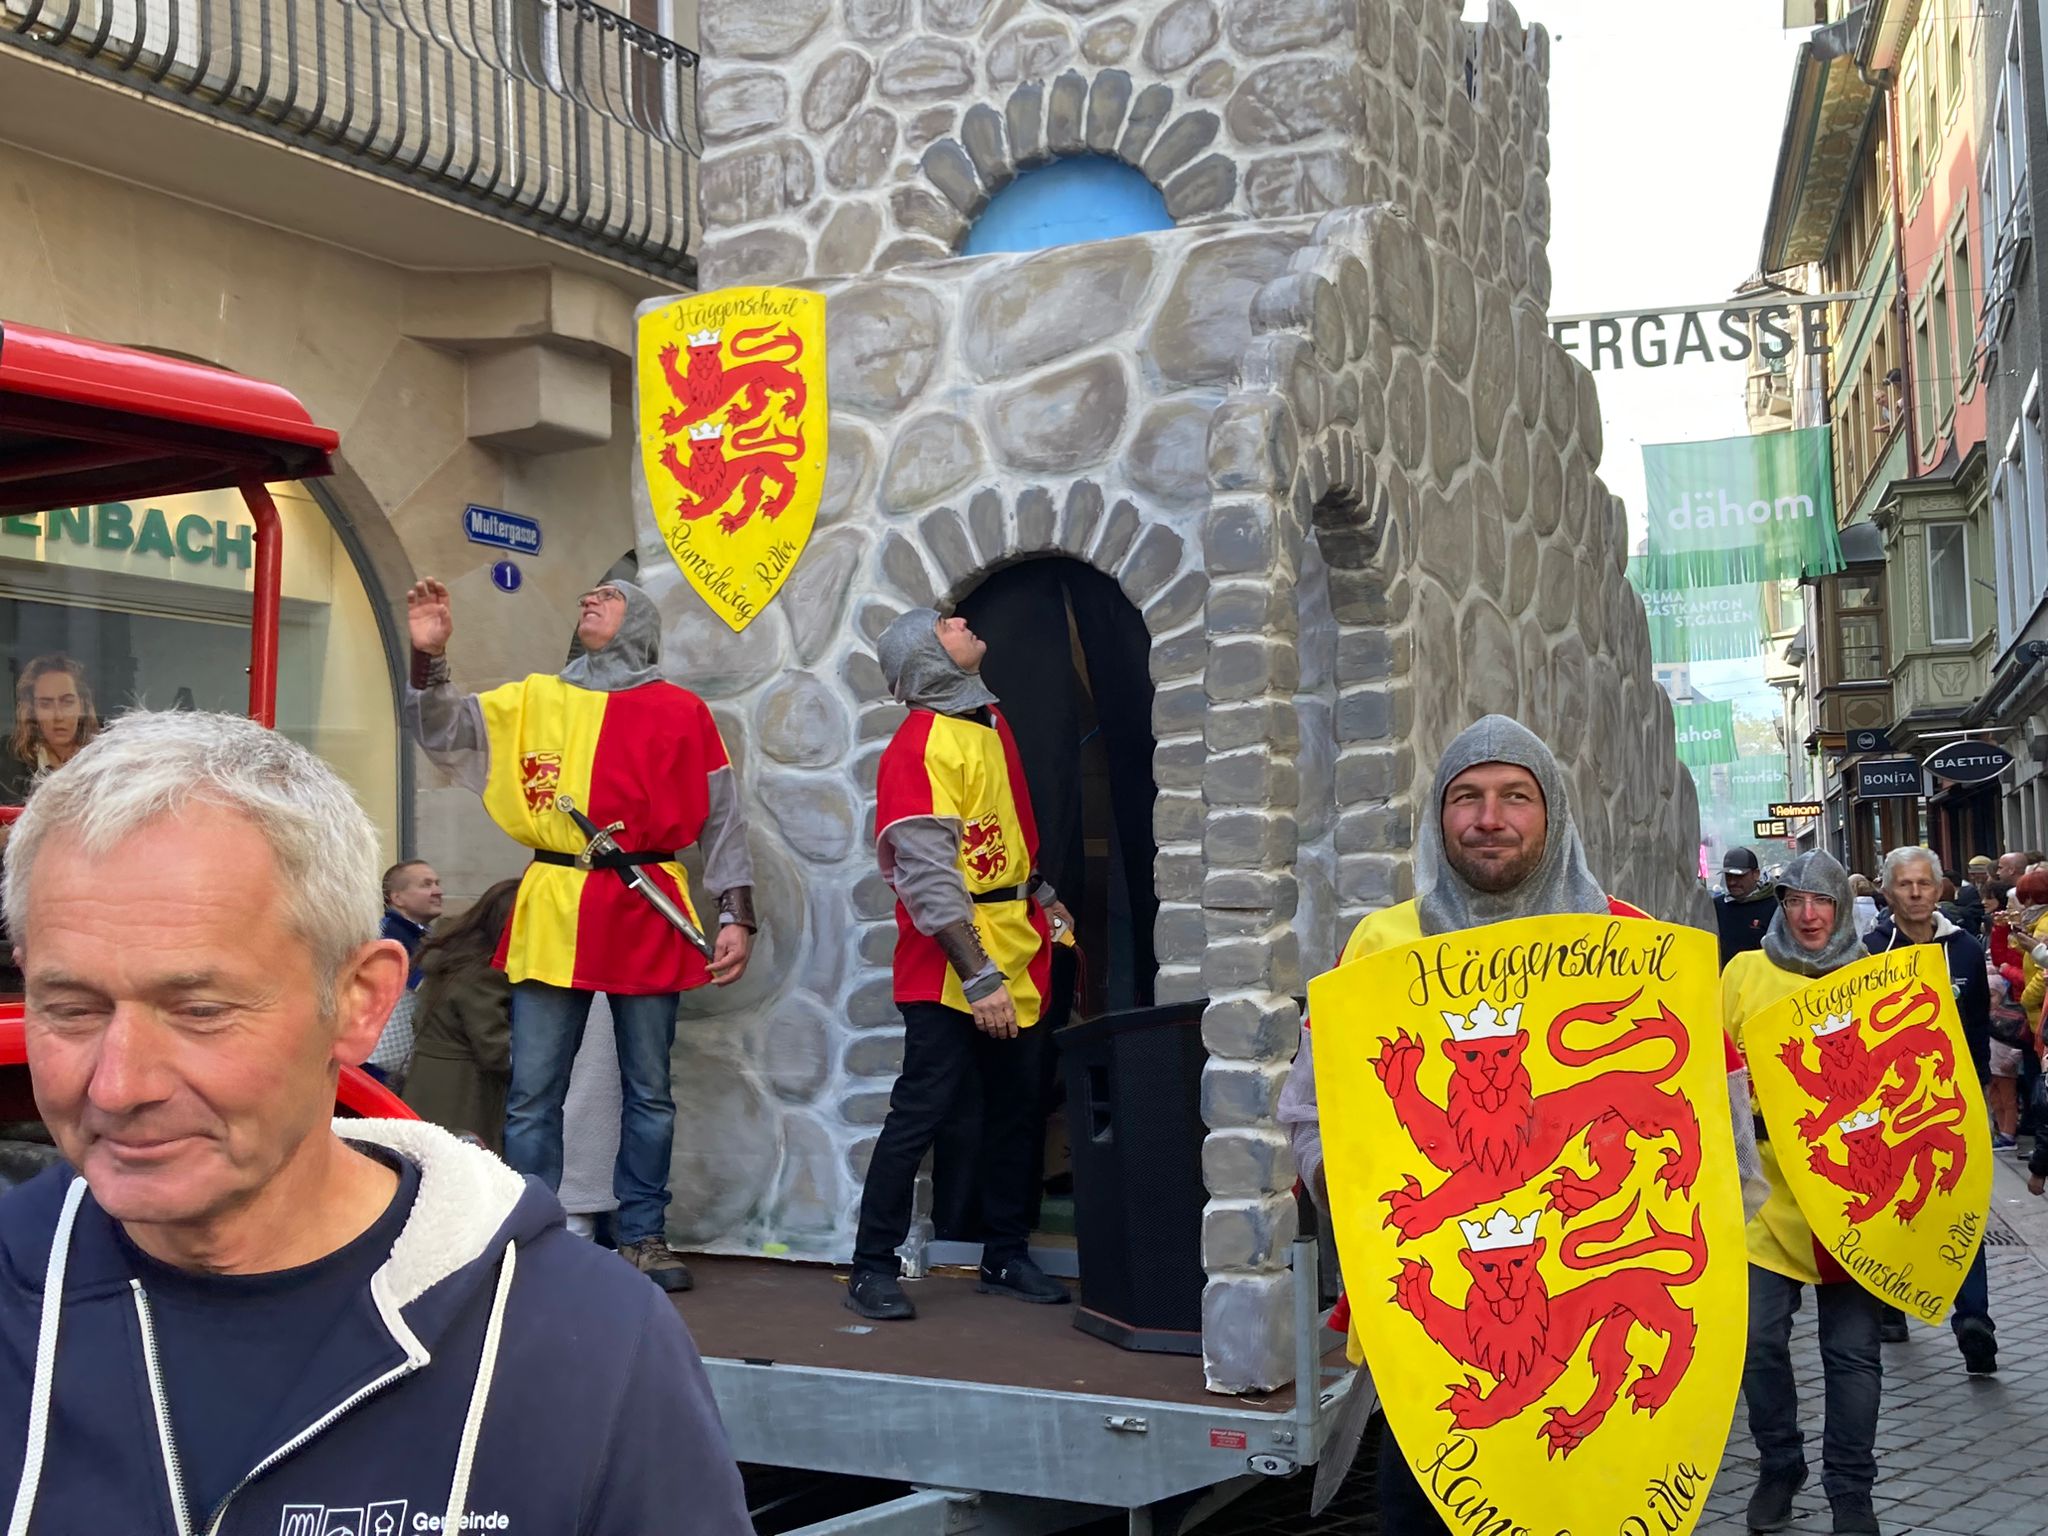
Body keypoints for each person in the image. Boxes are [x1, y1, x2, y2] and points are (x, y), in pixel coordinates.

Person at [0, 710, 750, 1533]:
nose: (118, 1086)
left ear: (360, 1002)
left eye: (200, 1010)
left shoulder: (594, 1344)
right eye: (70, 1009)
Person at [1277, 714, 1761, 1535]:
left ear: (1553, 811)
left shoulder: (1632, 943)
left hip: (1586, 1359)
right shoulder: (1380, 947)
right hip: (1426, 1366)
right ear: (1440, 816)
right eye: (1466, 797)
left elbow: (1724, 1130)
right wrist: (1358, 1200)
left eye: (1514, 796)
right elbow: (1309, 1111)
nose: (1489, 818)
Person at [404, 577, 756, 1293]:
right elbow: (444, 729)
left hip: (647, 901)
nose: (588, 599)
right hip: (556, 903)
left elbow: (723, 815)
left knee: (649, 1091)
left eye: (609, 595)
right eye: (586, 595)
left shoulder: (683, 711)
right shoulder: (534, 699)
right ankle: (533, 1239)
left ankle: (643, 1236)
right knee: (533, 1092)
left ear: (641, 620)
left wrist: (736, 911)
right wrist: (427, 661)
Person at [844, 608, 1077, 1322]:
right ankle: (871, 1265)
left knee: (1017, 1109)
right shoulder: (920, 744)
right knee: (922, 1111)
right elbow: (927, 877)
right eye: (944, 624)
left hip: (1015, 939)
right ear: (926, 657)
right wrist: (980, 978)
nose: (962, 621)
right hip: (951, 958)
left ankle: (1004, 1252)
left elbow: (1005, 833)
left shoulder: (988, 723)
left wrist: (1043, 896)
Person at [1726, 851, 1885, 1536]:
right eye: (1796, 900)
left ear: (1842, 908)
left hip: (1853, 1194)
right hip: (1767, 1196)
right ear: (1781, 906)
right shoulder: (1743, 973)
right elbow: (1716, 1072)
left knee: (1852, 1354)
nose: (1810, 915)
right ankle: (1779, 1465)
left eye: (1822, 901)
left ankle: (1851, 1490)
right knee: (1757, 1341)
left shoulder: (1876, 979)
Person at [1865, 846, 1996, 1373]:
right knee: (1896, 1205)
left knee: (1962, 1207)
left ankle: (1975, 1320)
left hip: (1954, 1103)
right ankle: (1891, 1304)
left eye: (1924, 883)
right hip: (1892, 1106)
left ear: (1939, 888)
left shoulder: (1964, 949)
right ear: (1887, 890)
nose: (1916, 893)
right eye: (1905, 884)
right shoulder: (1869, 951)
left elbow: (1979, 1026)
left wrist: (1982, 1092)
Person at [402, 879, 520, 1153]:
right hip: (463, 1093)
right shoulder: (480, 972)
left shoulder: (453, 957)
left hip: (429, 1082)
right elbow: (495, 1048)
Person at [1, 654, 99, 806]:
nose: (58, 716)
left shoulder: (104, 757)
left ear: (82, 705)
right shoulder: (7, 763)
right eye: (45, 704)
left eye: (67, 702)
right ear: (32, 710)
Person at [380, 858, 445, 989]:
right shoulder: (387, 938)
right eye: (426, 885)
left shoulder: (424, 935)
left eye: (437, 883)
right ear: (397, 898)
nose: (439, 891)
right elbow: (420, 990)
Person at [1716, 846, 1776, 966]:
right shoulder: (1715, 907)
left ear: (1756, 874)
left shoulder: (1775, 907)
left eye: (1739, 876)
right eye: (1728, 876)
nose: (1732, 882)